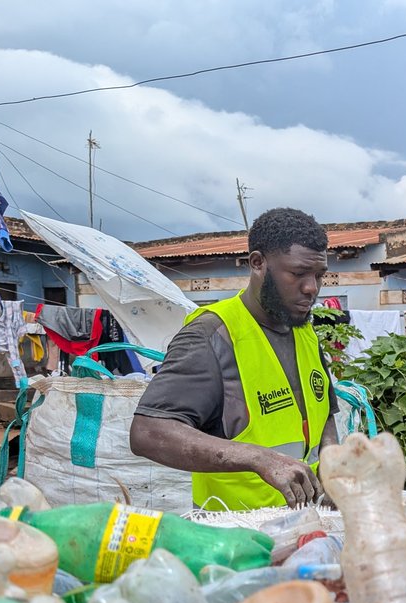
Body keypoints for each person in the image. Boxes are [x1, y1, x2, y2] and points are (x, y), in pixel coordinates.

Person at [131, 207, 339, 510]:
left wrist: (332, 460)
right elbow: (147, 432)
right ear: (258, 263)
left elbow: (325, 414)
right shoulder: (211, 336)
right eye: (297, 274)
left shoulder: (304, 331)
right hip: (235, 537)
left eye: (319, 276)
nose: (311, 288)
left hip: (304, 526)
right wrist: (259, 458)